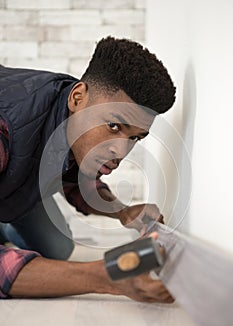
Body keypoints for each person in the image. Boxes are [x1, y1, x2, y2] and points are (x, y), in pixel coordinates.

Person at [0, 37, 176, 302]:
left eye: (135, 137)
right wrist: (102, 276)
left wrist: (122, 211)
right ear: (77, 97)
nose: (120, 151)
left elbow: (79, 178)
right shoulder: (7, 126)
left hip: (13, 180)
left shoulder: (78, 113)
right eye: (114, 126)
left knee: (58, 248)